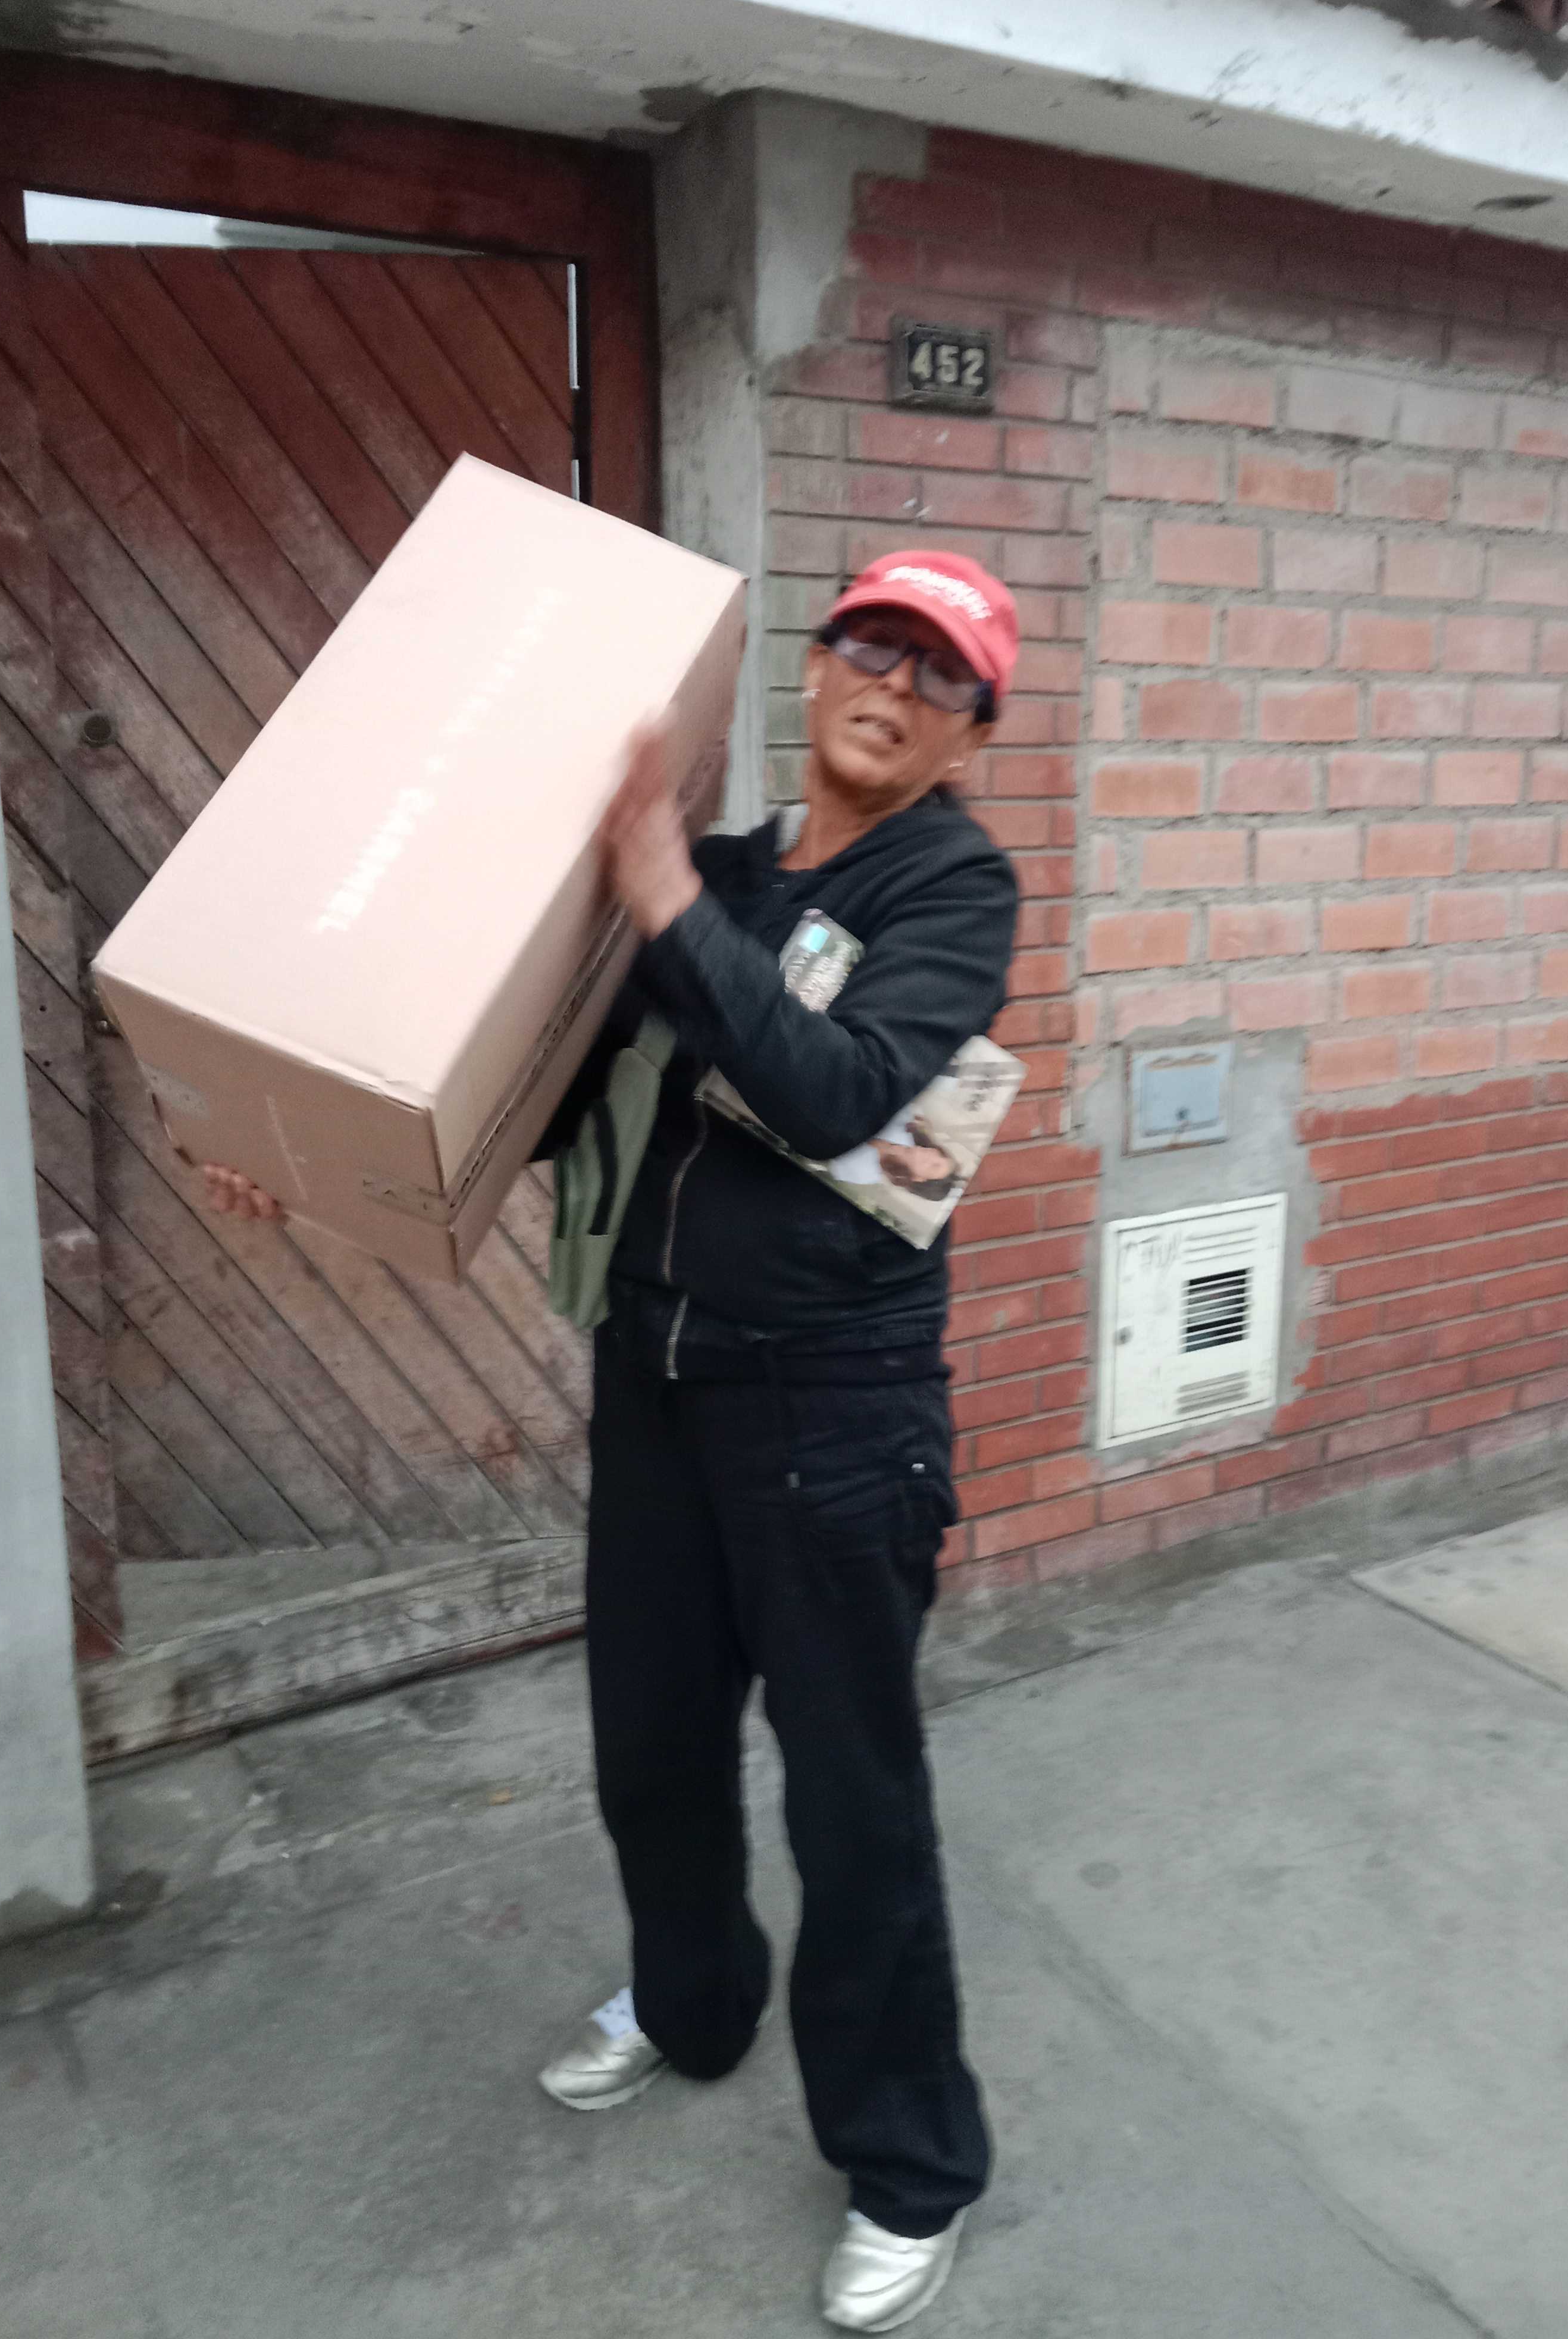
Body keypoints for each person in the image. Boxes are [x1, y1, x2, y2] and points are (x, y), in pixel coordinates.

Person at [203, 546, 1022, 2334]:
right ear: (819, 662)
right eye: (873, 644)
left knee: (854, 1798)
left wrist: (658, 894)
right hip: (655, 1381)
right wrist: (311, 1151)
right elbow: (540, 1091)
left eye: (942, 674)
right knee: (651, 1750)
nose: (895, 685)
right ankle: (691, 2002)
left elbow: (837, 1090)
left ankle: (911, 2165)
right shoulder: (721, 878)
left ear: (973, 733)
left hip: (834, 1406)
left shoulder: (953, 888)